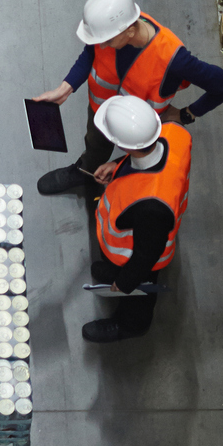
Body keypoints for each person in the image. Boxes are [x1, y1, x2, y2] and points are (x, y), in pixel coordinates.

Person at [30, 0, 223, 197]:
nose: (102, 45)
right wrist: (65, 88)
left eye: (106, 41)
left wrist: (187, 114)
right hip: (100, 112)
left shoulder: (174, 59)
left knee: (135, 170)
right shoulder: (113, 28)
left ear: (129, 31)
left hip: (138, 127)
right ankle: (86, 172)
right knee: (95, 147)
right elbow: (90, 52)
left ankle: (121, 181)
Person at [82, 96, 191, 343]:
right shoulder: (174, 133)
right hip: (145, 227)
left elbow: (146, 255)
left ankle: (132, 325)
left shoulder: (151, 207)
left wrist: (125, 282)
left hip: (141, 257)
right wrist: (118, 164)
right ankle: (112, 271)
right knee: (122, 272)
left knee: (141, 291)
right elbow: (148, 153)